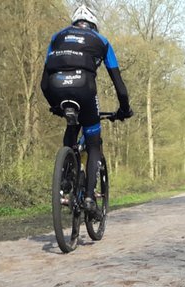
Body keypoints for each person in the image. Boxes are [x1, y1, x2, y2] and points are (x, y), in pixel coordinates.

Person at [41, 4, 132, 216]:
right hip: (84, 88)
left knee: (72, 126)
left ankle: (65, 177)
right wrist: (124, 110)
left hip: (56, 88)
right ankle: (90, 197)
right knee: (93, 143)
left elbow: (43, 84)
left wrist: (54, 105)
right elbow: (120, 86)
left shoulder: (56, 37)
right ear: (94, 25)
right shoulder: (102, 41)